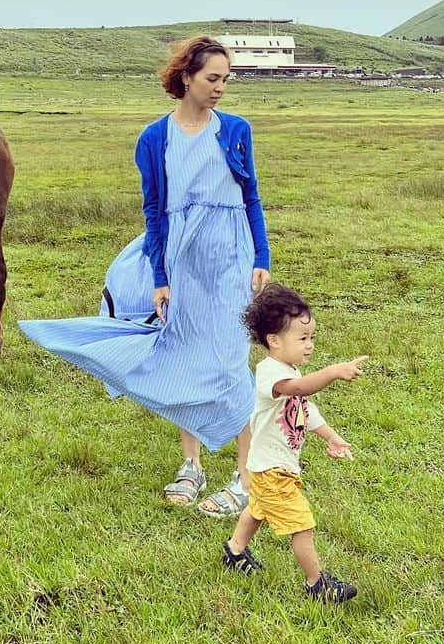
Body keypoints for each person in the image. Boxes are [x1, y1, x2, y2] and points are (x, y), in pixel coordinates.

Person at [19, 34, 271, 517]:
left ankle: (244, 476)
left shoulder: (236, 129)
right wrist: (160, 274)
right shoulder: (155, 138)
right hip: (181, 257)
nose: (220, 88)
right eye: (212, 78)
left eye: (225, 79)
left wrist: (261, 255)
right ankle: (191, 465)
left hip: (230, 257)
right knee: (183, 352)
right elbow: (154, 211)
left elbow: (251, 196)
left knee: (229, 358)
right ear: (186, 78)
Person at [222, 283, 366, 603]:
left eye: (312, 337)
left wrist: (331, 436)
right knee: (302, 526)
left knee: (257, 510)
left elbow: (304, 409)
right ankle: (317, 584)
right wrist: (332, 372)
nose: (310, 345)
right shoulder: (269, 373)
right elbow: (302, 389)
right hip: (272, 470)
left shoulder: (288, 369)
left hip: (268, 467)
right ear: (274, 340)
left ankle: (234, 551)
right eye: (302, 338)